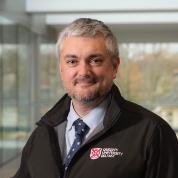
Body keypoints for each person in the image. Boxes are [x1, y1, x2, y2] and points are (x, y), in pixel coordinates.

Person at [12, 18, 178, 178]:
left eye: (95, 60)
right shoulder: (43, 133)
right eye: (72, 61)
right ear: (61, 68)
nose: (83, 72)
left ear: (114, 67)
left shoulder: (152, 133)